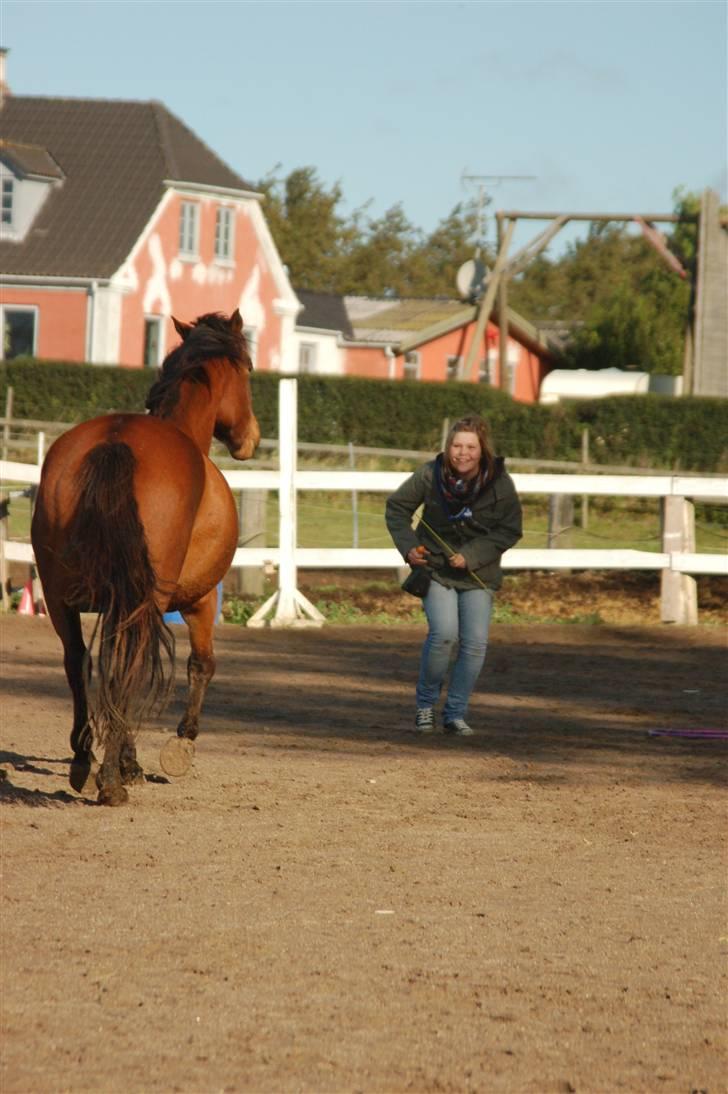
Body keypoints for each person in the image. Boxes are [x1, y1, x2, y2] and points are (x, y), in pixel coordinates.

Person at [385, 414, 522, 736]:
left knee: (474, 644)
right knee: (444, 634)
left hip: (479, 575)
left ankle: (455, 714)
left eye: (470, 447)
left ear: (482, 449)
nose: (463, 453)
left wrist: (473, 555)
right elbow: (396, 509)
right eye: (457, 445)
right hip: (434, 570)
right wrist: (410, 549)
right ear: (448, 447)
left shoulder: (500, 482)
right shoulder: (429, 475)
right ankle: (425, 708)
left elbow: (510, 529)